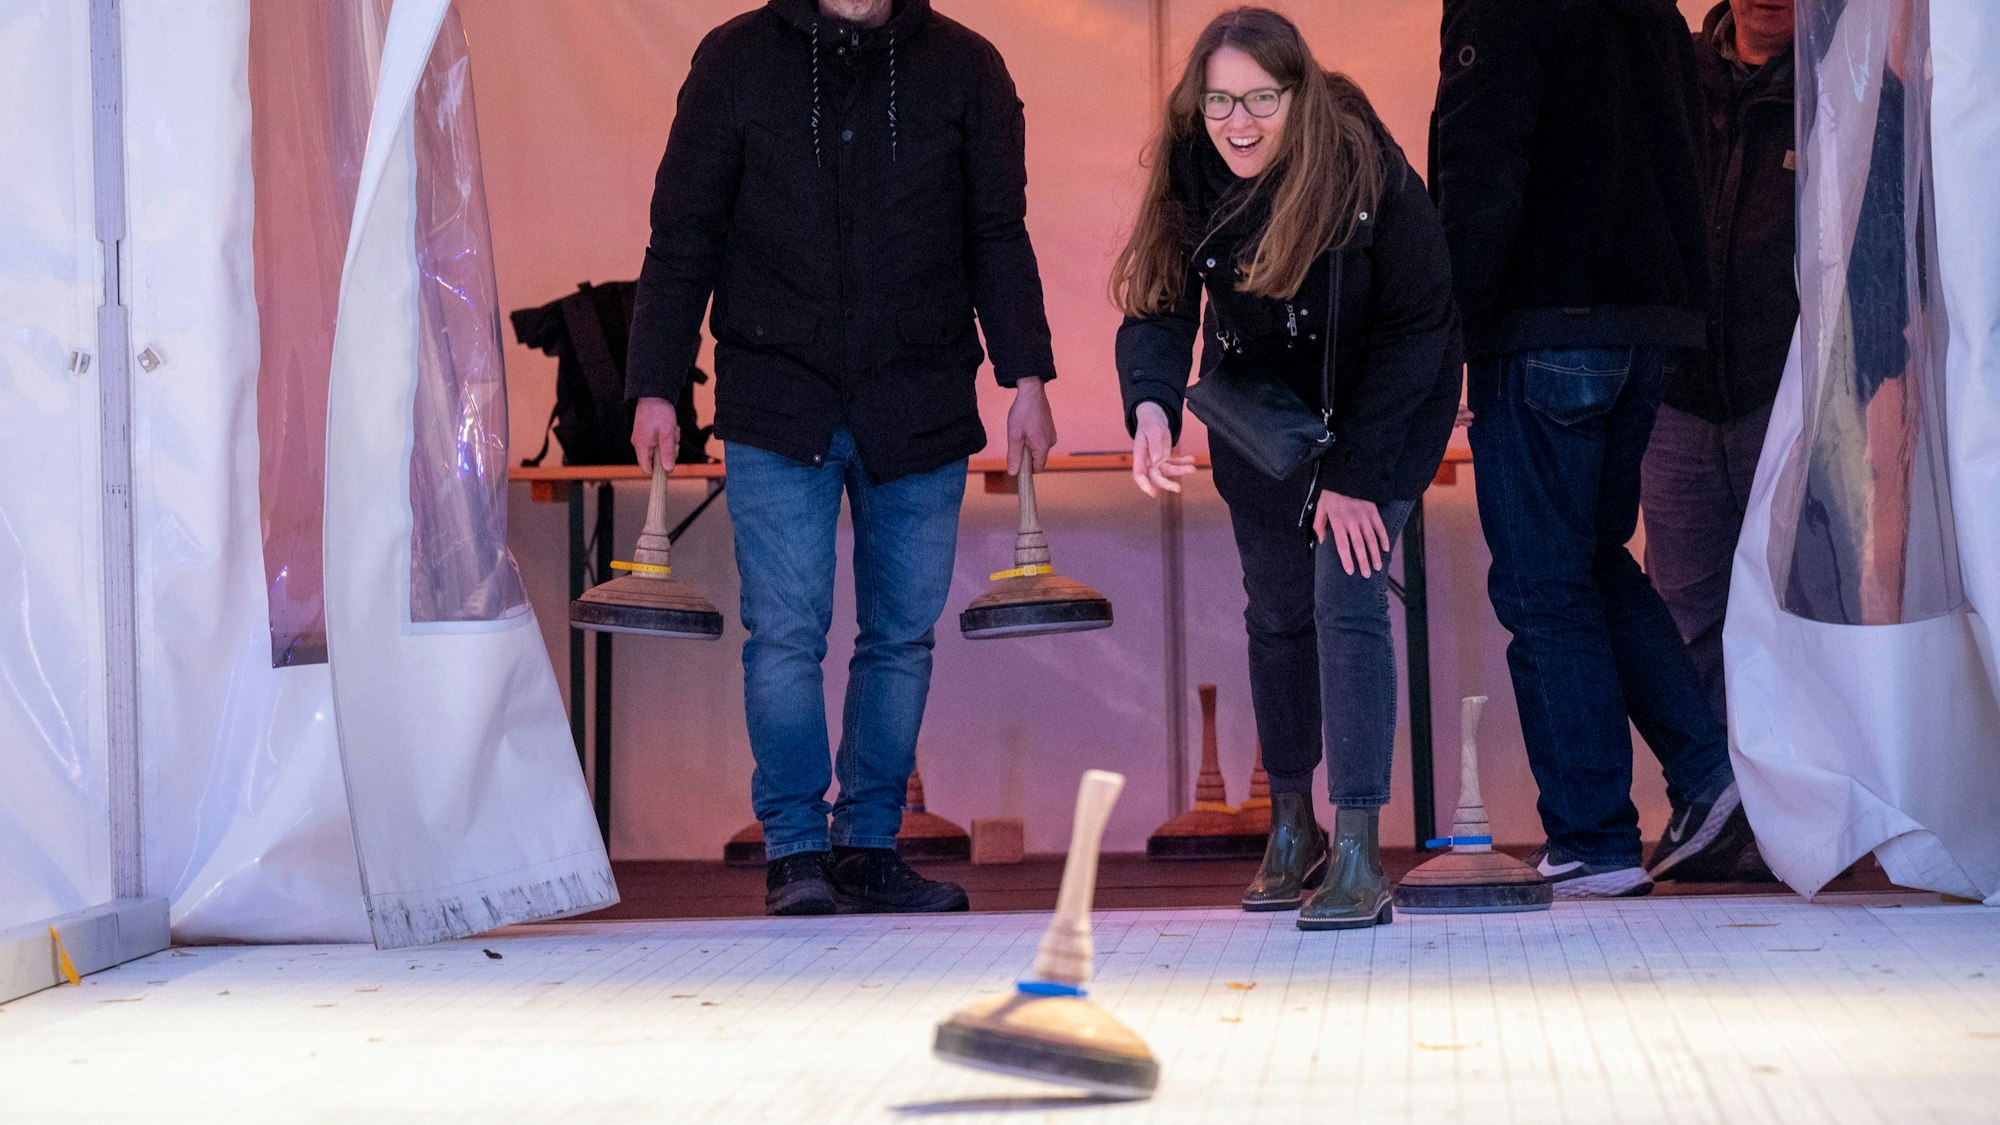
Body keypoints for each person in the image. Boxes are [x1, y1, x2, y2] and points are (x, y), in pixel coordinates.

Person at [625, 0, 1060, 916]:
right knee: (785, 631)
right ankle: (793, 848)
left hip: (922, 391)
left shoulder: (967, 67)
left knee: (900, 634)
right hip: (778, 392)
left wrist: (1027, 376)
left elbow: (998, 231)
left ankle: (867, 844)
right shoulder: (735, 59)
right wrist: (656, 384)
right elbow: (683, 235)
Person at [1114, 7, 1461, 930]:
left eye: (1260, 98)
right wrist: (1149, 402)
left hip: (1377, 415)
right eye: (1221, 99)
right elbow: (1156, 300)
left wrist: (1358, 474)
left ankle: (1358, 845)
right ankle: (1294, 825)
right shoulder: (1191, 167)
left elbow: (1421, 325)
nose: (1238, 122)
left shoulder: (1360, 164)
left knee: (1346, 596)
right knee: (1276, 611)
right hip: (1265, 424)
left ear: (1296, 95)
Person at [1430, 0, 1753, 896]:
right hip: (1648, 324)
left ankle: (1594, 834)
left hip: (1545, 322)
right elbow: (1688, 152)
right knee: (1595, 560)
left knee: (1543, 581)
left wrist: (1444, 332)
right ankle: (1707, 776)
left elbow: (1481, 164)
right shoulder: (1655, 8)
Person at [1643, 0, 1796, 722]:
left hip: (1792, 406)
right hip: (1675, 403)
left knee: (1798, 627)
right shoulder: (1671, 71)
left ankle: (1792, 831)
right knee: (1683, 628)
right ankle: (1710, 809)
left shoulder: (1850, 84)